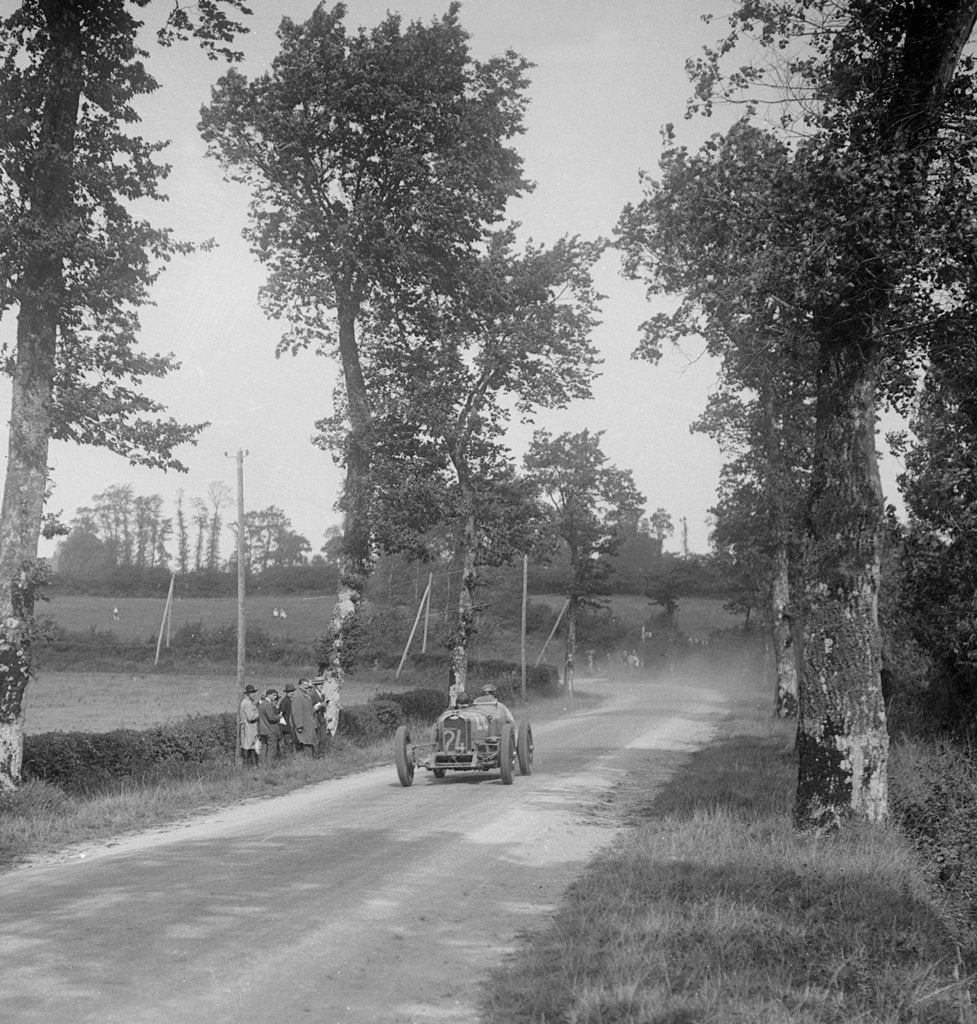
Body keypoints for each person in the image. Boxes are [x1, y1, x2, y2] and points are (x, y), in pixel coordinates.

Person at [290, 678, 318, 758]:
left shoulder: (305, 695)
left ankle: (308, 762)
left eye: (307, 685)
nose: (306, 687)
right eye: (304, 685)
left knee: (309, 744)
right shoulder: (298, 696)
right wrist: (299, 726)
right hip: (304, 725)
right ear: (299, 685)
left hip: (308, 724)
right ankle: (307, 763)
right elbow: (296, 712)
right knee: (306, 744)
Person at [256, 688, 283, 767]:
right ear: (268, 695)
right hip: (270, 730)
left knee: (264, 749)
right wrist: (279, 717)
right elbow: (271, 717)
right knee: (272, 750)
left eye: (276, 695)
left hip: (263, 730)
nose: (275, 697)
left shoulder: (261, 705)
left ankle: (263, 765)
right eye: (273, 695)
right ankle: (270, 766)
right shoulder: (269, 704)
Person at [238, 684, 260, 767]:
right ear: (247, 694)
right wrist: (258, 714)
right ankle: (250, 766)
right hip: (249, 728)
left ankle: (252, 766)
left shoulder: (249, 702)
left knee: (251, 746)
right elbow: (250, 717)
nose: (253, 694)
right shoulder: (247, 703)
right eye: (251, 693)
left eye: (254, 692)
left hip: (251, 728)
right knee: (249, 746)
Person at [279, 681, 296, 756]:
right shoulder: (285, 701)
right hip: (286, 726)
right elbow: (280, 714)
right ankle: (288, 757)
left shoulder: (289, 700)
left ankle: (289, 756)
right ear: (286, 692)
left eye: (293, 691)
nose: (292, 693)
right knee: (288, 743)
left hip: (289, 725)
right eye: (290, 691)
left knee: (289, 742)